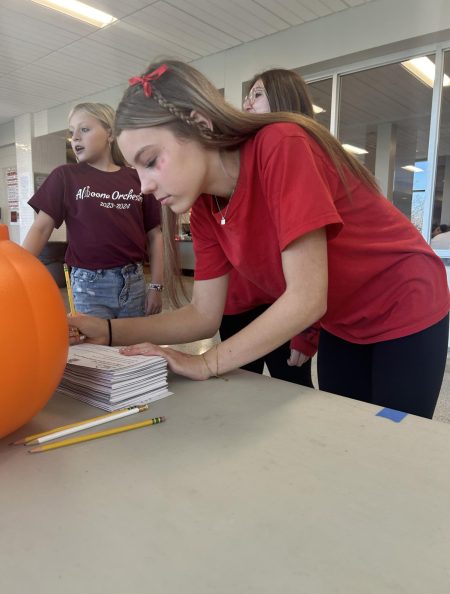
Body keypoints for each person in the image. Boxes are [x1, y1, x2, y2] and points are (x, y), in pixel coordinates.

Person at [69, 60, 449, 419]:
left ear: (199, 124)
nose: (144, 186)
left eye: (150, 161)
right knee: (346, 430)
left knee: (396, 439)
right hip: (343, 321)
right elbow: (203, 315)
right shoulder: (204, 207)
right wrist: (110, 331)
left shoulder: (280, 145)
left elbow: (306, 297)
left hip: (405, 302)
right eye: (135, 168)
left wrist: (206, 362)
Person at [220, 68, 320, 387]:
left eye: (257, 95)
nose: (247, 104)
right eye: (247, 96)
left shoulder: (292, 149)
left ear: (283, 99)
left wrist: (308, 332)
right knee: (239, 394)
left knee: (291, 392)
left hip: (285, 304)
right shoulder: (235, 158)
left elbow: (316, 263)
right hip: (237, 303)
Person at [23, 102, 163, 318]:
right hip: (88, 287)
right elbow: (41, 229)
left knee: (133, 350)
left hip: (134, 283)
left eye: (84, 129)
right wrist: (16, 273)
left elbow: (155, 236)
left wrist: (156, 287)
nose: (75, 137)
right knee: (94, 351)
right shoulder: (65, 176)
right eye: (72, 132)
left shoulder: (136, 178)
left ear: (110, 133)